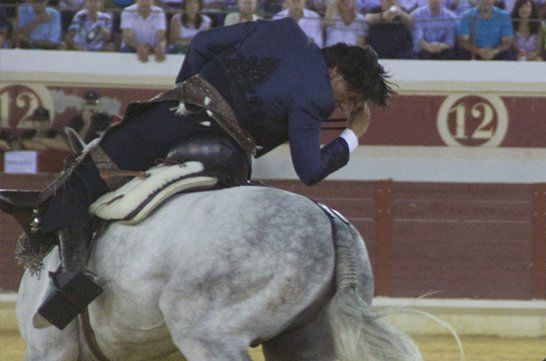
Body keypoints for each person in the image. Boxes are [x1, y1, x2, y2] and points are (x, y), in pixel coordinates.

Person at [0, 20, 390, 331]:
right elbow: (311, 171)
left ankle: (70, 278)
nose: (344, 104)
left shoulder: (282, 29)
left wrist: (186, 94)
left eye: (352, 103)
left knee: (86, 173)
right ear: (335, 70)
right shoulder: (315, 97)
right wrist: (352, 136)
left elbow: (203, 40)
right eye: (350, 95)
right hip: (230, 161)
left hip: (177, 125)